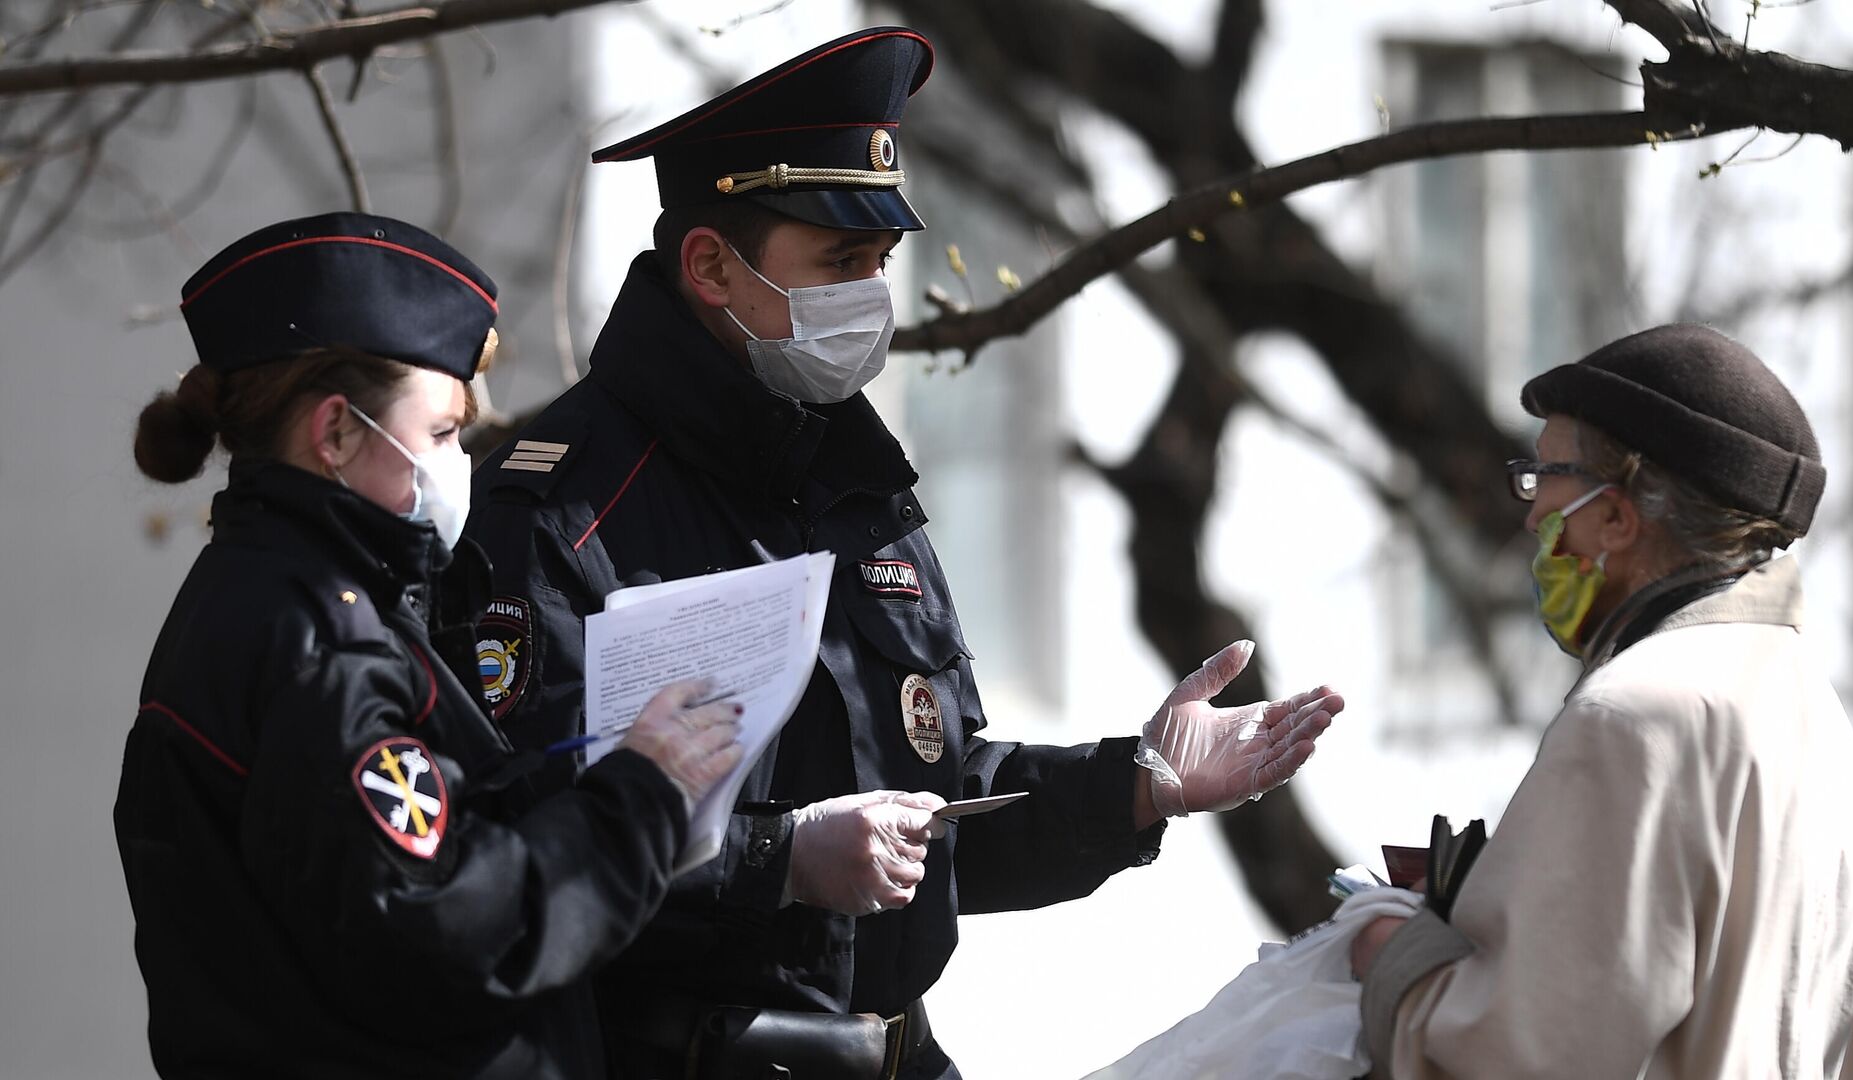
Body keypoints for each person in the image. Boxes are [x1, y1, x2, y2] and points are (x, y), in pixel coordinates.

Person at [464, 26, 1344, 1080]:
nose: (871, 298)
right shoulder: (564, 506)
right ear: (709, 266)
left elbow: (933, 797)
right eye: (839, 262)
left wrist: (1137, 785)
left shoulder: (857, 483)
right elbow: (521, 846)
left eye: (879, 263)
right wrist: (776, 863)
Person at [114, 211, 745, 1079]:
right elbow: (450, 930)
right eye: (444, 432)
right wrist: (646, 793)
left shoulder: (308, 598)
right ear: (335, 433)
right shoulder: (321, 646)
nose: (460, 460)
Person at [1350, 324, 1853, 1079]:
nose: (1532, 515)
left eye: (1547, 480)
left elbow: (1518, 1055)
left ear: (1618, 516)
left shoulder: (1633, 718)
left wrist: (1391, 956)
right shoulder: (1807, 707)